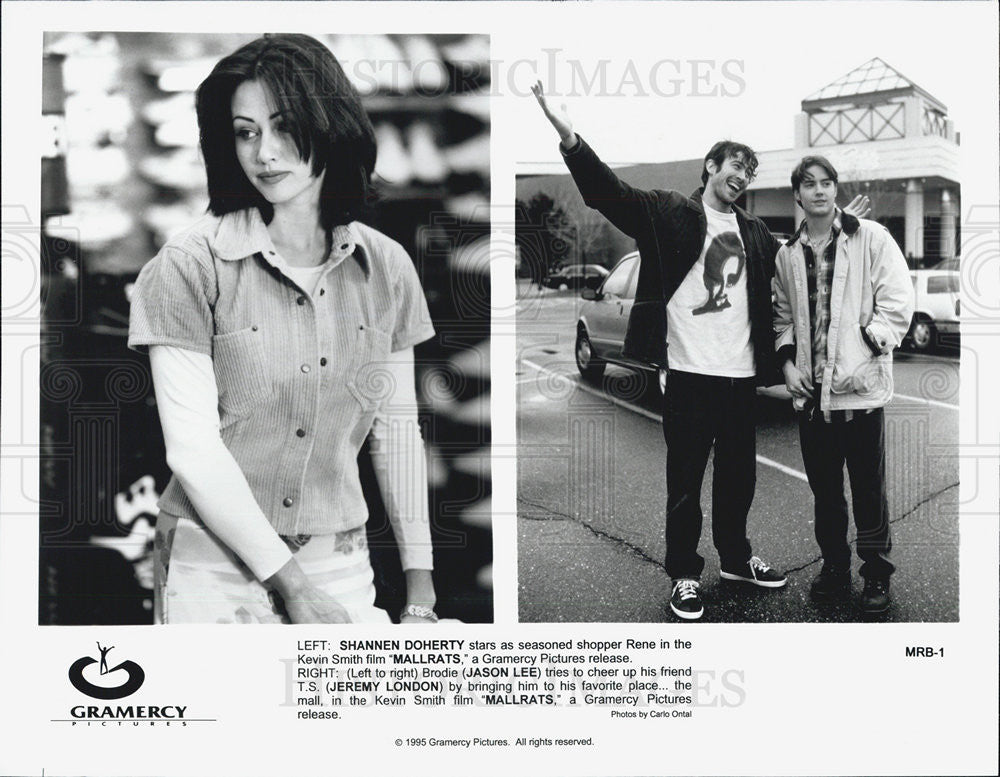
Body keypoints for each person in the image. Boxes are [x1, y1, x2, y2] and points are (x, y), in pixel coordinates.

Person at [128, 34, 439, 625]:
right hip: (211, 557)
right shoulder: (187, 264)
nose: (263, 153)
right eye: (245, 132)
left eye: (283, 126)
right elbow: (193, 450)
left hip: (340, 553)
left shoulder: (387, 266)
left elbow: (396, 434)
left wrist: (420, 588)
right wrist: (291, 586)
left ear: (330, 123)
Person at [532, 82, 870, 621]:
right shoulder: (668, 213)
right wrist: (569, 136)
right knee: (685, 483)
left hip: (739, 378)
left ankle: (735, 559)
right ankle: (685, 575)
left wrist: (837, 225)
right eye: (733, 166)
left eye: (748, 172)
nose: (740, 176)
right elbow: (608, 193)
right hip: (688, 375)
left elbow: (794, 262)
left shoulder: (756, 232)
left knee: (739, 480)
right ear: (710, 167)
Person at [773, 156, 913, 614]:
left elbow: (897, 302)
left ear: (835, 189)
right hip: (813, 399)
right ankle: (834, 566)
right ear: (797, 194)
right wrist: (788, 364)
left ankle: (876, 575)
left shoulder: (870, 237)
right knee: (827, 495)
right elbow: (783, 317)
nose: (819, 191)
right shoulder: (787, 253)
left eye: (827, 183)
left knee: (869, 494)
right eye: (809, 184)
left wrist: (869, 345)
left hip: (861, 393)